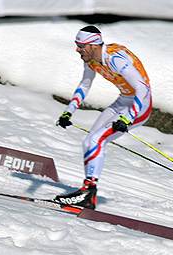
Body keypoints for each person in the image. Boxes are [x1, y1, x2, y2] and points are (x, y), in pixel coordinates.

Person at [54, 25, 152, 209]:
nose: (77, 49)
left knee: (96, 140)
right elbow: (85, 84)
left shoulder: (115, 58)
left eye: (80, 45)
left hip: (140, 106)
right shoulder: (90, 60)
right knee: (89, 141)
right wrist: (69, 111)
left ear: (93, 45)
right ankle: (88, 191)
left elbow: (143, 88)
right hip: (123, 101)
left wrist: (128, 118)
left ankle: (88, 193)